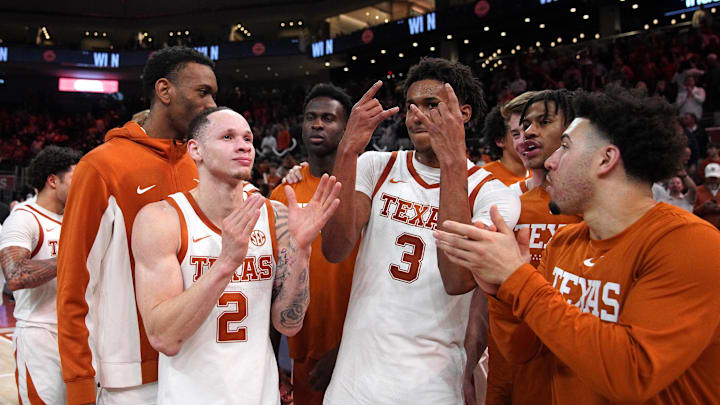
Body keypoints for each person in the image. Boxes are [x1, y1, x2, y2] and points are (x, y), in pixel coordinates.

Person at [435, 84, 720, 403]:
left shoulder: (691, 243)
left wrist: (517, 277)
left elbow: (632, 373)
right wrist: (499, 290)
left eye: (566, 147)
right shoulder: (566, 243)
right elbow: (521, 350)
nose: (552, 161)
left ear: (605, 160)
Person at [322, 58, 520, 404]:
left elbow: (457, 280)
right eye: (412, 106)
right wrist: (349, 149)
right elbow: (335, 249)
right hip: (355, 381)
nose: (416, 115)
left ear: (464, 114)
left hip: (432, 386)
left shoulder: (492, 194)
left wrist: (452, 162)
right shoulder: (376, 166)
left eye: (432, 105)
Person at [132, 106, 340, 404]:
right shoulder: (162, 219)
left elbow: (288, 323)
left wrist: (302, 251)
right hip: (189, 396)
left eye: (247, 138)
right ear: (196, 149)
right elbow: (164, 337)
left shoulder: (274, 216)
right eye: (227, 137)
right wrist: (226, 263)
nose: (243, 145)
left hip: (259, 394)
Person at [56, 46, 218, 405]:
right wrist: (80, 383)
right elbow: (75, 285)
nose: (211, 105)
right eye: (202, 92)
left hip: (201, 368)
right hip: (131, 380)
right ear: (164, 90)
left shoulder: (202, 166)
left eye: (214, 95)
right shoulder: (101, 167)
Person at [487, 89, 583, 405]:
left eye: (542, 122)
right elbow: (485, 296)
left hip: (578, 357)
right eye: (522, 127)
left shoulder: (593, 205)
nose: (528, 133)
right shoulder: (503, 202)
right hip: (516, 358)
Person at [268, 83, 356, 405]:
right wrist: (272, 358)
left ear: (347, 129)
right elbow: (274, 281)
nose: (317, 124)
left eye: (328, 118)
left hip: (359, 348)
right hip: (302, 351)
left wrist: (346, 348)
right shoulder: (282, 194)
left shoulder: (364, 187)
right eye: (310, 117)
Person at [0, 146, 81, 405]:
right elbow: (15, 275)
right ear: (53, 180)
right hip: (40, 333)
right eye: (74, 179)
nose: (81, 185)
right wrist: (69, 256)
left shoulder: (75, 218)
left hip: (79, 332)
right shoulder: (24, 217)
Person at [481, 102, 530, 186]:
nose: (526, 138)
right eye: (516, 134)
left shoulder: (540, 175)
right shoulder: (483, 178)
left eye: (527, 129)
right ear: (500, 140)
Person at [694, 162, 720, 228]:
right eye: (710, 178)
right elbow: (691, 211)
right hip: (703, 228)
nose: (712, 180)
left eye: (715, 178)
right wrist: (703, 207)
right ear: (705, 177)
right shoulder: (697, 191)